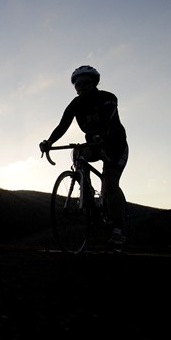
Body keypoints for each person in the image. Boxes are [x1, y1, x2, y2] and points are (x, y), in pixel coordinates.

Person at [39, 65, 129, 246]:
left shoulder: (107, 98)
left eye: (85, 82)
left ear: (94, 82)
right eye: (77, 84)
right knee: (78, 152)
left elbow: (110, 121)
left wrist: (105, 137)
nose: (81, 86)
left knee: (110, 184)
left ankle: (118, 229)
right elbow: (62, 125)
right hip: (94, 144)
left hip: (115, 145)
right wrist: (49, 142)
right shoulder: (75, 104)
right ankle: (86, 193)